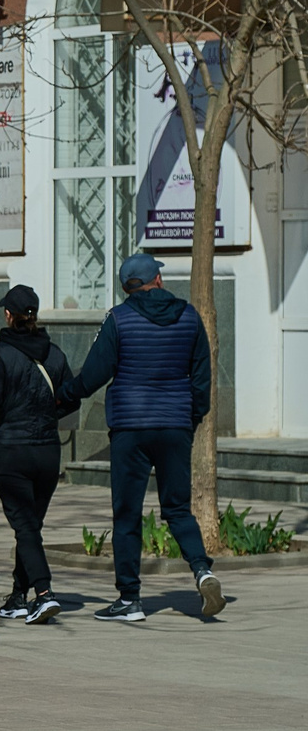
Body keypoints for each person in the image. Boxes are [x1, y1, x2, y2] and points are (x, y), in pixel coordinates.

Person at [62, 252, 223, 623]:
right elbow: (201, 381)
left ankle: (130, 600)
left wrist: (63, 396)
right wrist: (191, 419)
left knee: (127, 513)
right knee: (178, 509)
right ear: (158, 281)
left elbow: (93, 376)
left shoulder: (118, 319)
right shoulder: (190, 317)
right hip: (175, 427)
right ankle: (202, 571)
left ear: (126, 289)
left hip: (130, 429)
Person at [0, 285, 69, 624]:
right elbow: (70, 398)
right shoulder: (55, 354)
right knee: (29, 526)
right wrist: (48, 418)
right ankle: (18, 596)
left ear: (8, 315)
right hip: (47, 453)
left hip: (12, 452)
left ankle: (44, 594)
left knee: (25, 526)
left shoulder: (0, 354)